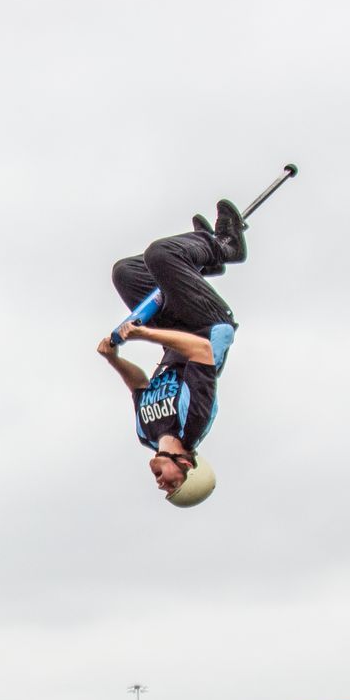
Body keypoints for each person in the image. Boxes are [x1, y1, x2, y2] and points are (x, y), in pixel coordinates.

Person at [95, 209, 246, 502]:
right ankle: (227, 246)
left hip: (174, 330)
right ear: (186, 465)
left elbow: (138, 384)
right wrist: (146, 334)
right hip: (206, 325)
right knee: (161, 255)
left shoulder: (147, 433)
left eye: (166, 490)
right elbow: (201, 351)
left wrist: (113, 359)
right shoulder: (193, 422)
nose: (162, 485)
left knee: (125, 273)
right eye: (173, 485)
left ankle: (196, 262)